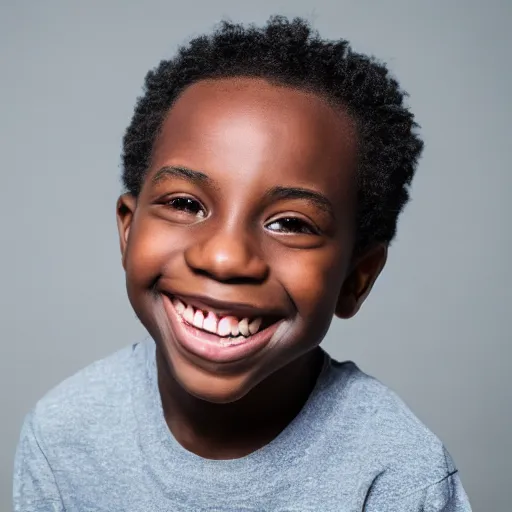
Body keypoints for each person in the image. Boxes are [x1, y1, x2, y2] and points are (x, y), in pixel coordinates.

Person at [13, 16, 472, 511]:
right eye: (186, 204)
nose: (225, 257)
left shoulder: (398, 476)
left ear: (355, 280)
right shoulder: (63, 437)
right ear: (128, 228)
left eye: (291, 223)